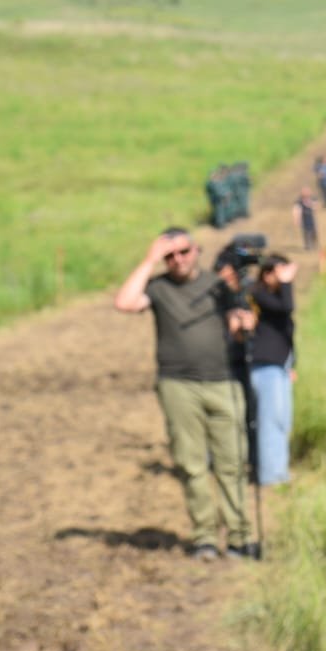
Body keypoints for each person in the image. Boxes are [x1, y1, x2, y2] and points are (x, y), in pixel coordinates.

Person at [113, 227, 256, 560]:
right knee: (191, 464)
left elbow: (239, 327)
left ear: (197, 251)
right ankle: (204, 537)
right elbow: (125, 302)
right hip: (177, 385)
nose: (178, 260)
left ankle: (239, 536)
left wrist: (244, 325)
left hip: (224, 382)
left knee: (231, 463)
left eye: (184, 252)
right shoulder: (158, 287)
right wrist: (149, 260)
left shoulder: (219, 286)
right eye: (170, 255)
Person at [247, 254, 298, 486]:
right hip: (266, 367)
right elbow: (287, 307)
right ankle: (270, 477)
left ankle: (279, 473)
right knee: (270, 422)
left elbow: (286, 334)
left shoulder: (274, 297)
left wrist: (291, 365)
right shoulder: (259, 295)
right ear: (267, 274)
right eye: (279, 272)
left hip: (279, 367)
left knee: (282, 421)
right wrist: (286, 282)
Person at [292, 187, 319, 252]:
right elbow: (296, 210)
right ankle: (307, 245)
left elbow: (316, 206)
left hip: (311, 217)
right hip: (304, 218)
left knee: (313, 230)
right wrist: (296, 219)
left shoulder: (312, 199)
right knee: (306, 231)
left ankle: (314, 243)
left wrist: (313, 206)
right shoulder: (299, 202)